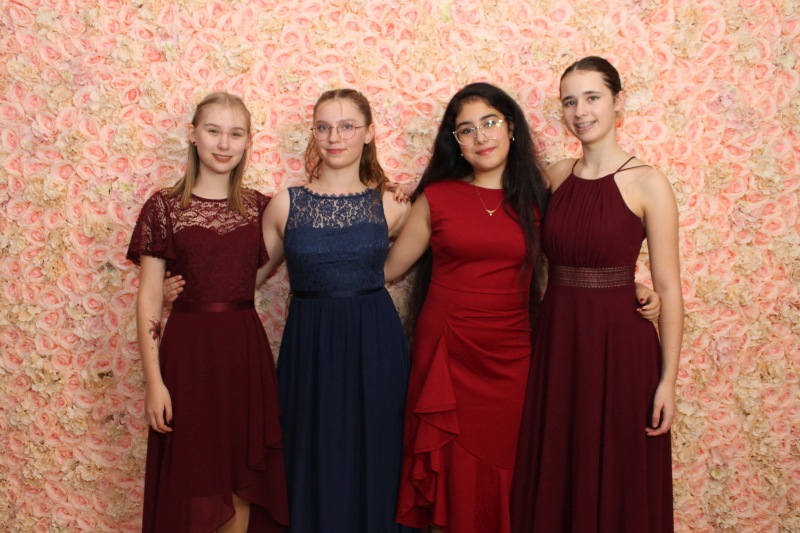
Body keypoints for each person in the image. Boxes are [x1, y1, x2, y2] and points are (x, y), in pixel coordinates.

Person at [510, 56, 683, 532]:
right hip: (559, 343)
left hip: (622, 350)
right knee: (559, 465)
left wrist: (667, 382)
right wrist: (394, 191)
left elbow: (669, 287)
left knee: (618, 467)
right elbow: (495, 216)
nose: (580, 111)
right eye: (569, 101)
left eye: (592, 97)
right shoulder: (555, 175)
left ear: (616, 102)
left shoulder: (649, 182)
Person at [127, 92, 288, 532]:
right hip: (188, 358)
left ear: (248, 140)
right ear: (193, 134)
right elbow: (148, 297)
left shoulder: (262, 207)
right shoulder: (163, 207)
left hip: (244, 357)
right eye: (213, 131)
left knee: (242, 480)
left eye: (235, 133)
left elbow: (249, 276)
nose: (224, 143)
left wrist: (383, 187)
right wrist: (154, 384)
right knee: (194, 480)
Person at [259, 88, 414, 532]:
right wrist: (175, 289)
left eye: (347, 126)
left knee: (378, 452)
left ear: (369, 132)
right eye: (324, 127)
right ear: (313, 133)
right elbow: (246, 277)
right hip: (309, 348)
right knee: (311, 451)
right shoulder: (285, 203)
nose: (335, 137)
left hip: (375, 345)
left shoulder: (394, 202)